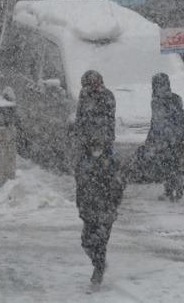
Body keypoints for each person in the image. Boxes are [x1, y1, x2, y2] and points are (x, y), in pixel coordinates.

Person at [72, 71, 123, 286]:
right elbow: (80, 123)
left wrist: (112, 201)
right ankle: (98, 262)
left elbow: (105, 126)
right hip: (89, 205)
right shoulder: (84, 164)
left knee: (100, 238)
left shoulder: (106, 98)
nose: (93, 89)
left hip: (104, 206)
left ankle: (99, 267)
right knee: (87, 241)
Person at [137, 72, 184, 201]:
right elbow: (181, 119)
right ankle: (175, 186)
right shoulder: (176, 98)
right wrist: (182, 134)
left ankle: (173, 187)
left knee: (166, 165)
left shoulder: (157, 101)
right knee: (172, 163)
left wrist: (153, 139)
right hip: (177, 137)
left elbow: (157, 123)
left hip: (165, 139)